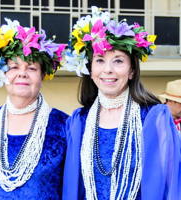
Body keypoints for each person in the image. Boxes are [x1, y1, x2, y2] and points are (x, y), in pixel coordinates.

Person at [62, 6, 181, 200]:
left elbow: (171, 185)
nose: (108, 70)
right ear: (90, 70)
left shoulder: (154, 117)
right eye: (100, 60)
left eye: (118, 61)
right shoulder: (78, 122)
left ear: (132, 70)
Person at [0, 18, 68, 200]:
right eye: (14, 66)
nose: (22, 73)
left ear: (42, 75)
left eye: (31, 68)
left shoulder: (64, 126)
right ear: (3, 72)